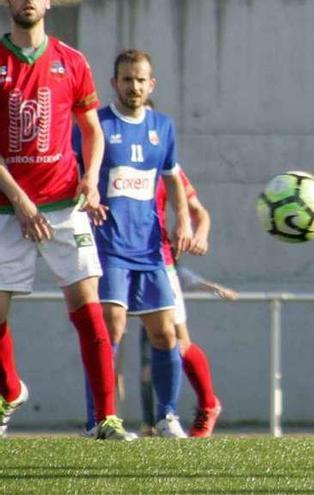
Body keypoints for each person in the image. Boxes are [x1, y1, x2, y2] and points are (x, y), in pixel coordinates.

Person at [0, 0, 132, 440]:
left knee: (89, 305)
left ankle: (105, 419)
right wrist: (20, 202)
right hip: (7, 208)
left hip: (62, 204)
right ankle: (11, 391)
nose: (27, 2)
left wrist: (91, 180)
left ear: (48, 2)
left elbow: (91, 129)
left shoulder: (71, 60)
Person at [73, 48, 193, 438]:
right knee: (110, 328)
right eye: (127, 79)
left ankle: (167, 416)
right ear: (114, 83)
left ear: (151, 84)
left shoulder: (163, 126)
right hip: (108, 246)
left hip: (151, 247)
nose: (134, 86)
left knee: (166, 333)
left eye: (141, 79)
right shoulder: (97, 125)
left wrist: (184, 221)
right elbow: (73, 170)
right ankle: (99, 421)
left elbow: (173, 177)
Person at [139, 261, 238, 437]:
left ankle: (207, 405)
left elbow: (187, 277)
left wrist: (217, 290)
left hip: (157, 265)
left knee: (180, 346)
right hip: (118, 258)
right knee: (147, 371)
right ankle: (140, 423)